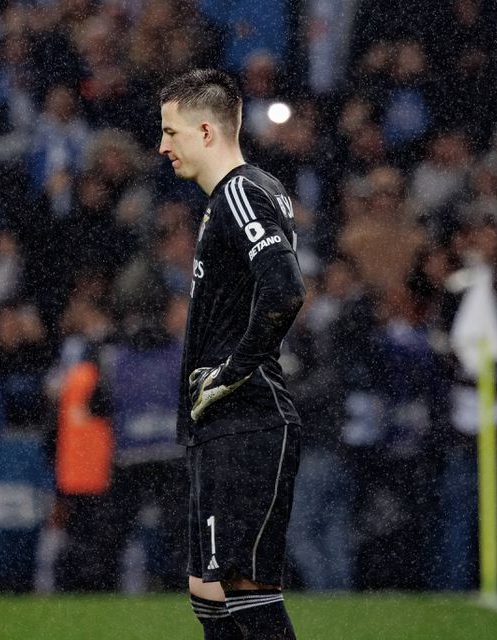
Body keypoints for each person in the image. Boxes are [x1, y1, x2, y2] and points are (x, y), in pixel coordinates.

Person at [158, 69, 306, 639]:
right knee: (209, 593)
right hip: (222, 424)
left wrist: (230, 373)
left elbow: (285, 288)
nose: (163, 145)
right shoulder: (234, 197)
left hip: (248, 420)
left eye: (171, 132)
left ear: (205, 130)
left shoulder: (241, 190)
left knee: (248, 593)